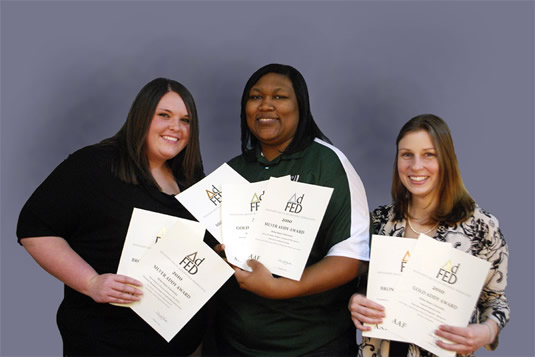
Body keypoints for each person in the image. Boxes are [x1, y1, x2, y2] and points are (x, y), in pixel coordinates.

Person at [17, 78, 208, 356]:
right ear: (141, 117)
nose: (175, 128)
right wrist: (91, 282)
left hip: (181, 348)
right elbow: (34, 229)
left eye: (185, 120)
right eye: (164, 115)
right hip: (107, 343)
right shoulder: (94, 165)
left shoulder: (191, 179)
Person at [212, 63, 370, 356]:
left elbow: (352, 258)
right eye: (256, 97)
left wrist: (280, 288)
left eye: (280, 97)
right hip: (234, 343)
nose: (266, 105)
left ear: (301, 107)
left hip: (309, 344)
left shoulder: (328, 164)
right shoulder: (233, 172)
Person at [349, 114, 510, 357]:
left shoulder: (481, 227)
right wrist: (355, 300)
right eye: (407, 155)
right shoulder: (379, 220)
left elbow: (495, 299)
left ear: (446, 159)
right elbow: (357, 282)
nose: (416, 166)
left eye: (429, 155)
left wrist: (486, 332)